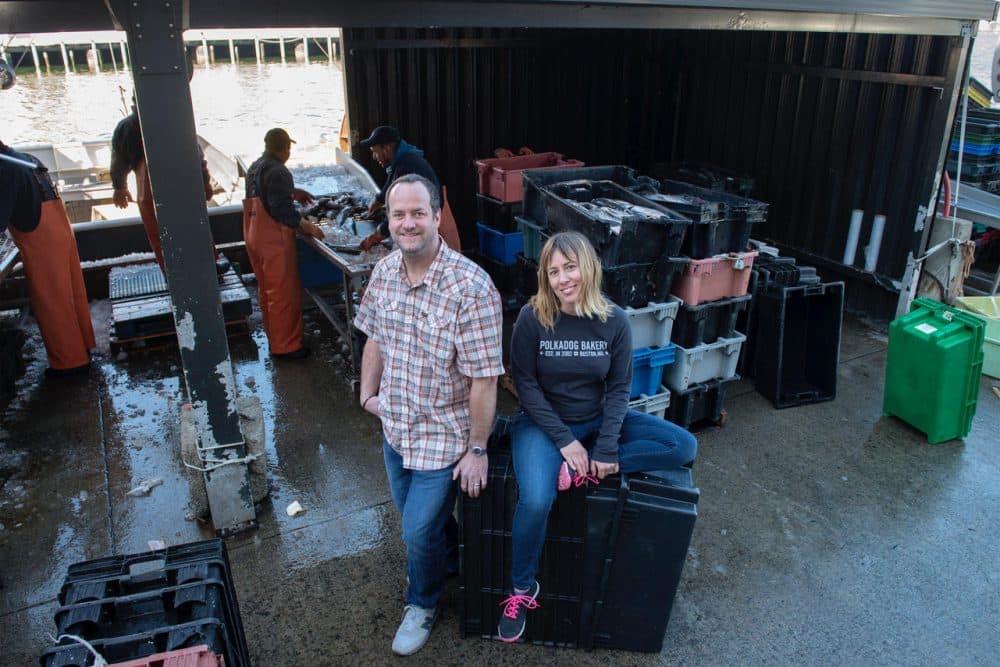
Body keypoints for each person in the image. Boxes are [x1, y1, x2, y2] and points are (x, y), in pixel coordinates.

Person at [499, 231, 698, 643]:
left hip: (597, 420)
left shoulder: (614, 321)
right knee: (537, 499)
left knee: (682, 445)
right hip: (542, 423)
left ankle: (591, 470)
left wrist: (606, 448)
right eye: (553, 271)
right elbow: (526, 386)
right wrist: (565, 443)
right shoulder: (532, 318)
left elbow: (619, 388)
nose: (562, 279)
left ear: (588, 267)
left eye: (569, 267)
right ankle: (522, 588)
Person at [354, 173, 504, 655]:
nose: (408, 223)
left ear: (437, 217)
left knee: (416, 528)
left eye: (419, 213)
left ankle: (421, 602)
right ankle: (449, 560)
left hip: (443, 437)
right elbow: (374, 336)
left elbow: (485, 379)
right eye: (399, 214)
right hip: (396, 428)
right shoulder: (383, 273)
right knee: (423, 523)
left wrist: (477, 449)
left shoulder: (472, 288)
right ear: (389, 219)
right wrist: (366, 394)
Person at [0, 141, 95, 376]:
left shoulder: (4, 169)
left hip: (42, 241)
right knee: (71, 296)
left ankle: (70, 366)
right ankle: (83, 348)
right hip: (61, 231)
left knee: (53, 304)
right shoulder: (26, 158)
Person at [242, 128, 324, 360]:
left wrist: (293, 192)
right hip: (272, 241)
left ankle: (275, 339)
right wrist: (307, 227)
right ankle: (287, 348)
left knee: (267, 292)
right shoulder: (279, 171)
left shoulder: (255, 166)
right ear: (285, 148)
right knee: (283, 295)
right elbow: (281, 210)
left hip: (253, 235)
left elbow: (265, 196)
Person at [109, 98, 215, 271]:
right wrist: (119, 187)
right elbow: (196, 155)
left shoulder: (127, 126)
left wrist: (119, 187)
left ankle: (176, 272)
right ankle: (203, 268)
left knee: (167, 234)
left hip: (153, 194)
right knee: (190, 229)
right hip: (177, 190)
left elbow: (118, 162)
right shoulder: (173, 121)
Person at [357, 125, 461, 253]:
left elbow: (399, 214)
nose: (374, 156)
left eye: (375, 151)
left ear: (387, 148)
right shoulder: (403, 159)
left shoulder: (407, 168)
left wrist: (374, 237)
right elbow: (389, 185)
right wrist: (376, 203)